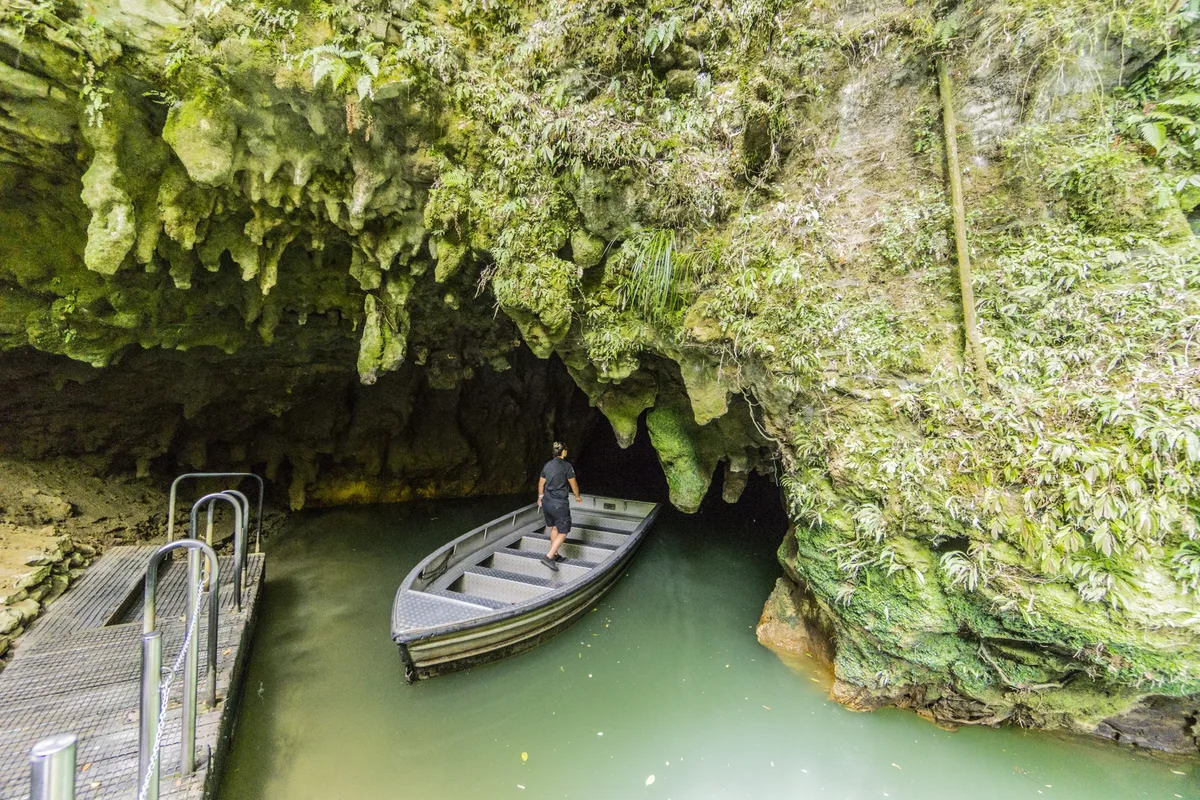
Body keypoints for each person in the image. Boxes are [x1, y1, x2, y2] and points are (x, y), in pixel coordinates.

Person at [537, 441, 582, 571]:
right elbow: (574, 484)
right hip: (559, 504)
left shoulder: (547, 465)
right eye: (566, 449)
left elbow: (541, 484)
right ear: (563, 452)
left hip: (547, 502)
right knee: (563, 531)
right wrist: (577, 496)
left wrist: (540, 498)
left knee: (555, 528)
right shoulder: (567, 466)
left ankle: (555, 554)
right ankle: (549, 557)